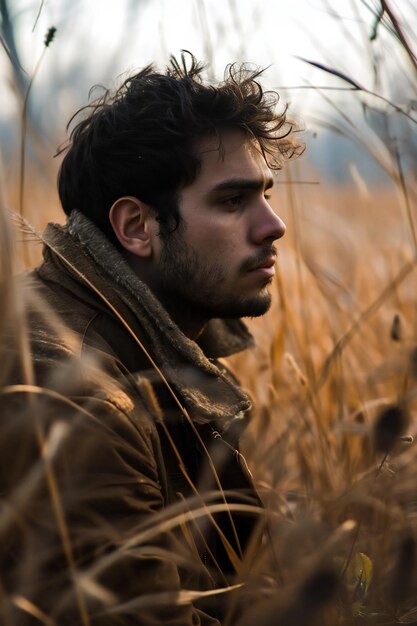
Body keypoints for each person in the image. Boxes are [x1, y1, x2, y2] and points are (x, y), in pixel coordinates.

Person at [0, 52, 301, 625]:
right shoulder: (73, 400)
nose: (273, 225)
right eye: (233, 201)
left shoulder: (148, 337)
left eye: (266, 194)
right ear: (138, 228)